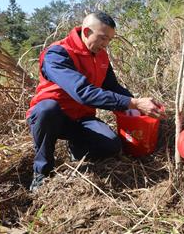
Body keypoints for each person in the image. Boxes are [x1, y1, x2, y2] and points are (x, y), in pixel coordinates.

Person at [26, 11, 164, 192]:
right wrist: (134, 103)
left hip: (82, 117)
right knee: (46, 110)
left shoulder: (101, 56)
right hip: (53, 117)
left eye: (109, 40)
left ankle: (76, 149)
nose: (105, 44)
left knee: (111, 146)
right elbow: (82, 92)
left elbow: (112, 87)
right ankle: (41, 173)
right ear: (86, 32)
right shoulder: (57, 54)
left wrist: (137, 105)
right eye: (102, 38)